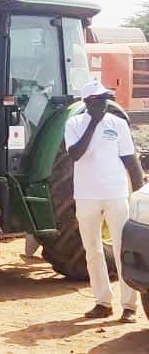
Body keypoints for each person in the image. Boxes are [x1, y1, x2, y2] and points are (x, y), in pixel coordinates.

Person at [64, 79, 145, 323]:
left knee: (123, 250)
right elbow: (75, 154)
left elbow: (131, 161)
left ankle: (129, 306)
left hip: (116, 194)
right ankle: (102, 302)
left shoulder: (118, 124)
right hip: (86, 195)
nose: (104, 103)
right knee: (93, 250)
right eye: (99, 100)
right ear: (88, 103)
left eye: (106, 98)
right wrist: (93, 124)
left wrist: (139, 194)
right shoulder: (74, 124)